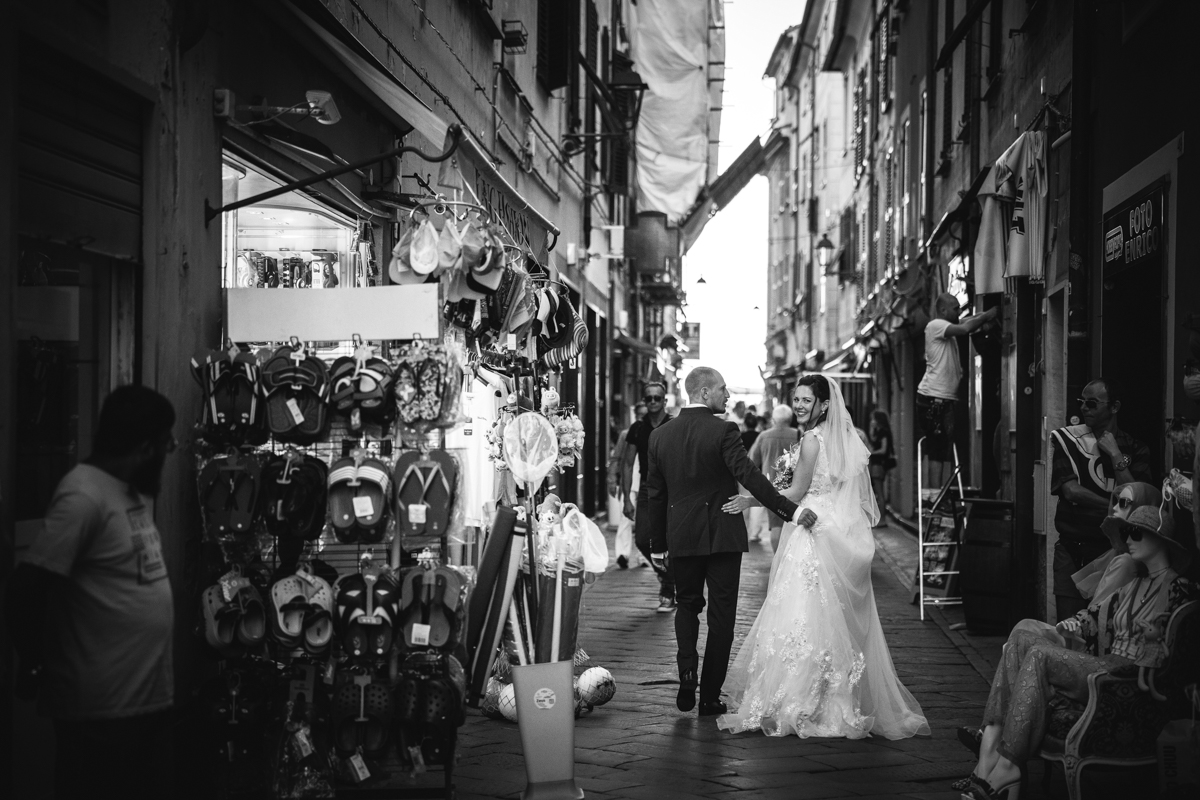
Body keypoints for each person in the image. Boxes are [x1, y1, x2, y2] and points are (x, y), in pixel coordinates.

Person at [716, 375, 929, 739]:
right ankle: (833, 699)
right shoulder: (848, 439)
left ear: (824, 404)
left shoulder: (813, 440)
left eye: (806, 399)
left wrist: (752, 499)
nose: (799, 405)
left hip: (812, 530)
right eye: (796, 399)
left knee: (802, 611)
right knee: (830, 616)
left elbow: (797, 491)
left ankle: (800, 699)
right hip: (839, 530)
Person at [5, 385, 178, 800]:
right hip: (100, 717)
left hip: (138, 708)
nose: (170, 449)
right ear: (144, 447)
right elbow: (27, 586)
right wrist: (32, 662)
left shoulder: (124, 490)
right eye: (165, 441)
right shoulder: (83, 495)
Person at [955, 506, 1197, 800]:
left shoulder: (1179, 589)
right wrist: (1074, 624)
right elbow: (1093, 616)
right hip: (1104, 666)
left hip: (1126, 678)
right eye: (1125, 532)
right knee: (1020, 639)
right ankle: (987, 756)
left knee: (1040, 654)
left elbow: (1172, 648)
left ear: (1160, 540)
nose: (1127, 539)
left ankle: (1008, 766)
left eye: (1135, 533)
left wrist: (1152, 634)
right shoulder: (1132, 586)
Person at [642, 367, 813, 716]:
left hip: (683, 535)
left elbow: (654, 495)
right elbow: (749, 476)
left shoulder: (659, 436)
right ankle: (709, 696)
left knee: (686, 605)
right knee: (722, 618)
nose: (728, 395)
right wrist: (790, 511)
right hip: (723, 534)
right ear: (705, 393)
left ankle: (687, 670)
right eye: (722, 389)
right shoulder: (724, 430)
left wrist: (657, 543)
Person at [1049, 378, 1152, 620]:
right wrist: (1114, 506)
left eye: (1092, 403)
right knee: (1068, 625)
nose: (1084, 408)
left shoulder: (1135, 448)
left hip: (1115, 551)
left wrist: (1115, 454)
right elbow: (1071, 491)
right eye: (1082, 402)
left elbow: (1136, 496)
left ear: (1114, 407)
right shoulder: (1069, 442)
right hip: (1072, 547)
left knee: (1107, 623)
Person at [916, 293, 998, 487]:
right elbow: (965, 328)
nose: (959, 311)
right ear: (943, 310)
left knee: (943, 448)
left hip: (940, 398)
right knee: (937, 449)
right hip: (934, 398)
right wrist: (988, 314)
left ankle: (940, 493)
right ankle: (935, 495)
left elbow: (967, 321)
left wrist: (983, 316)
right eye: (955, 308)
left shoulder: (945, 328)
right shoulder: (936, 325)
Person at [625, 382, 677, 611]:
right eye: (649, 398)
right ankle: (668, 577)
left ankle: (668, 588)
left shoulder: (674, 426)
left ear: (664, 401)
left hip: (673, 489)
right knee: (642, 539)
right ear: (644, 401)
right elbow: (628, 464)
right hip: (648, 490)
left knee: (670, 540)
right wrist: (626, 498)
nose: (653, 401)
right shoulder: (638, 428)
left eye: (657, 398)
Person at [748, 404, 800, 552]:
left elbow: (751, 461)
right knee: (793, 523)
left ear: (773, 419)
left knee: (776, 525)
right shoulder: (799, 435)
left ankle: (778, 558)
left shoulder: (764, 436)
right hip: (795, 486)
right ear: (790, 419)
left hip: (771, 487)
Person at [609, 403, 648, 569]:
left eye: (644, 415)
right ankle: (622, 554)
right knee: (625, 519)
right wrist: (612, 480)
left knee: (644, 521)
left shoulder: (654, 433)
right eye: (639, 415)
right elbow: (616, 458)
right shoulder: (626, 434)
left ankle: (643, 556)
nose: (641, 418)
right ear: (635, 415)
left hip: (646, 483)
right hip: (629, 483)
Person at [868, 409, 895, 527]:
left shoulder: (884, 433)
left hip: (878, 465)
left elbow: (883, 450)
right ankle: (881, 519)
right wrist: (871, 429)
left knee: (879, 493)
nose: (872, 421)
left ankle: (882, 519)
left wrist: (871, 453)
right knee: (878, 493)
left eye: (873, 419)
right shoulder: (879, 432)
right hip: (876, 464)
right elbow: (873, 441)